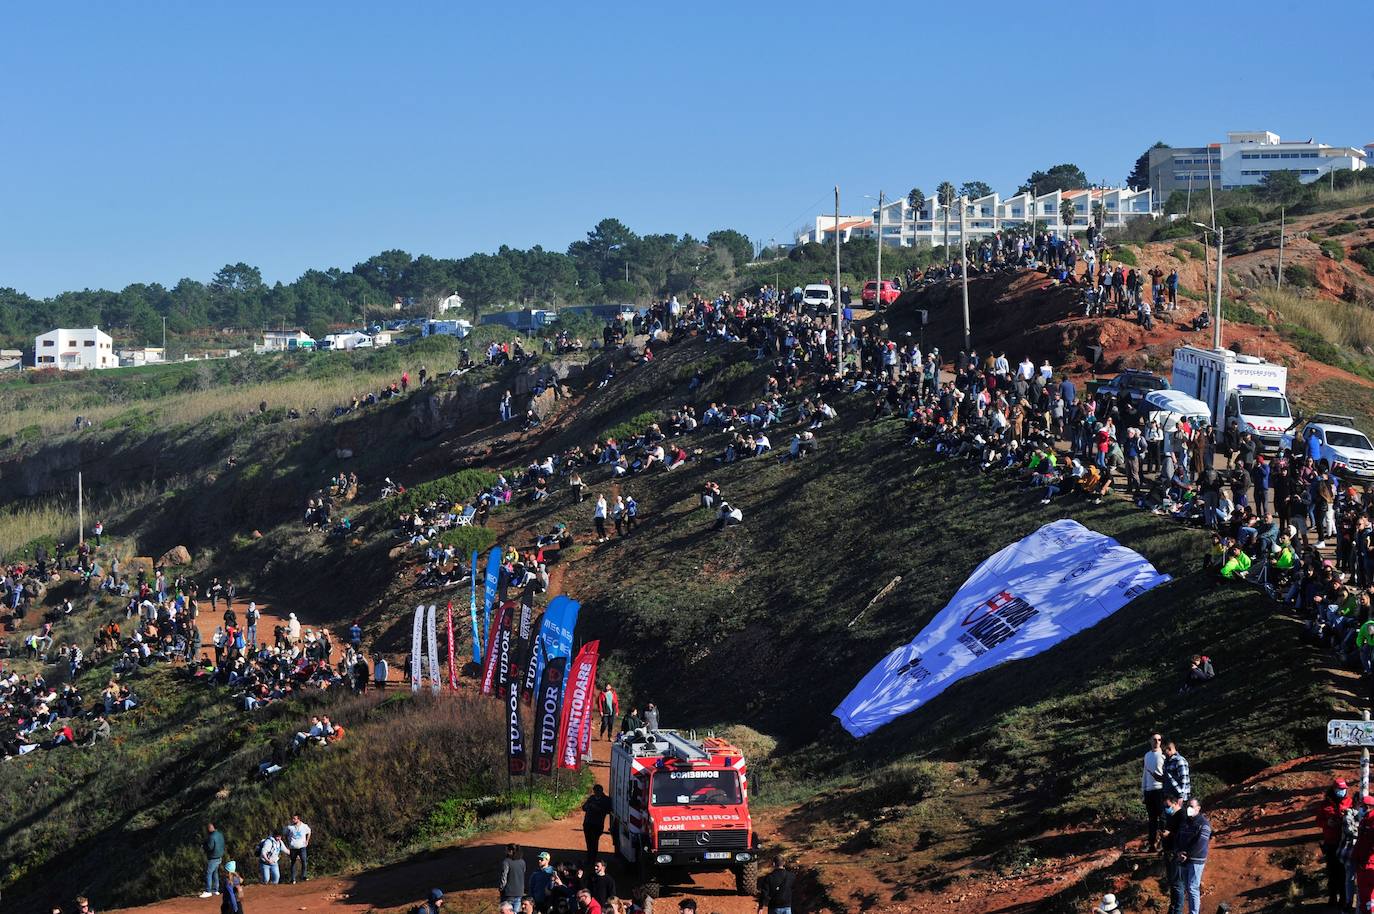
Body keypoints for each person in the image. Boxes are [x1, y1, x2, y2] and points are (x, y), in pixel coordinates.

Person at [1320, 778, 1354, 908]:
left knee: (1344, 872)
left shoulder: (1350, 802)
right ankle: (1332, 897)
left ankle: (1344, 898)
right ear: (1334, 790)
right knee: (1332, 872)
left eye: (1344, 789)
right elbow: (1318, 820)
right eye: (1339, 789)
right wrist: (1327, 823)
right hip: (1331, 843)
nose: (1342, 792)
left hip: (1345, 843)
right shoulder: (1325, 804)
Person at [1175, 798, 1211, 914]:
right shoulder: (1185, 822)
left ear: (1198, 808)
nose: (1189, 809)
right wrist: (1178, 852)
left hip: (1196, 860)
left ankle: (1194, 912)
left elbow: (1200, 843)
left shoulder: (1204, 824)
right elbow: (1178, 838)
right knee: (1188, 888)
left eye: (1192, 806)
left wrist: (1188, 855)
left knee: (1192, 888)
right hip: (1184, 859)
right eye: (1187, 806)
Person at [1142, 733, 1167, 851]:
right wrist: (1144, 790)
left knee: (1162, 818)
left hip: (1160, 790)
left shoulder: (1163, 755)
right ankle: (1151, 843)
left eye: (1159, 739)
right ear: (1150, 741)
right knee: (1152, 819)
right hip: (1149, 791)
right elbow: (1145, 774)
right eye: (1154, 739)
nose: (1157, 741)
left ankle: (1163, 842)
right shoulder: (1147, 755)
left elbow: (1166, 774)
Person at [582, 785, 613, 864]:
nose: (596, 793)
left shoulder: (606, 800)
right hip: (588, 823)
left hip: (597, 824)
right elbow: (584, 807)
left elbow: (608, 810)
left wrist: (597, 808)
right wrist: (589, 806)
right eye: (595, 791)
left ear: (601, 791)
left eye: (597, 791)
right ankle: (589, 857)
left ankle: (593, 858)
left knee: (594, 841)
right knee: (589, 842)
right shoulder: (592, 798)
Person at [201, 822, 226, 897]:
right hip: (219, 856)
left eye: (208, 828)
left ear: (211, 828)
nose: (207, 830)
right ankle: (216, 890)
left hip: (213, 857)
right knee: (215, 873)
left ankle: (208, 890)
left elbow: (210, 847)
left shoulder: (211, 837)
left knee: (209, 873)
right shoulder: (220, 834)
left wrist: (204, 847)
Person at [284, 814, 312, 883]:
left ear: (299, 819)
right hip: (293, 848)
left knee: (304, 861)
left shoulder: (304, 826)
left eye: (295, 819)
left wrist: (307, 841)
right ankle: (293, 879)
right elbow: (285, 834)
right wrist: (288, 844)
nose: (293, 820)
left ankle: (304, 876)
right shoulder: (290, 827)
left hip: (302, 847)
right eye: (293, 819)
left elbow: (309, 832)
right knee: (293, 862)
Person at [499, 843, 527, 909]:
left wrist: (501, 888)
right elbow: (523, 872)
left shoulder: (506, 862)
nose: (505, 852)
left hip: (508, 893)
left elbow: (504, 877)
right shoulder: (522, 862)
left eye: (506, 850)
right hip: (519, 892)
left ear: (511, 851)